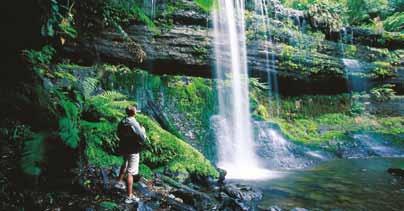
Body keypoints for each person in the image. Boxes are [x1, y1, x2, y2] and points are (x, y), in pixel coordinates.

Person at [115, 106, 147, 204]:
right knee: (131, 173)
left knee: (125, 163)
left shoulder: (123, 121)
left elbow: (118, 133)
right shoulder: (134, 123)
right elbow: (142, 137)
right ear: (134, 113)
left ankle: (119, 182)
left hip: (124, 147)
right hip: (133, 149)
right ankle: (129, 196)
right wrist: (143, 130)